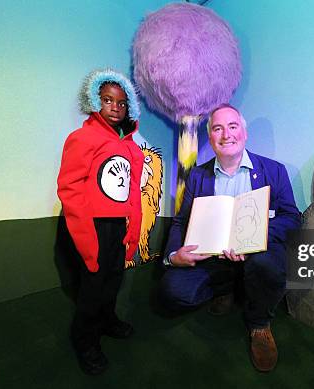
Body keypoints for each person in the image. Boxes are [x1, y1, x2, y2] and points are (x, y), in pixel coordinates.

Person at [160, 104, 301, 372]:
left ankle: (259, 324)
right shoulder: (198, 176)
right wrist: (172, 256)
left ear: (244, 133)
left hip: (257, 254)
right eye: (217, 129)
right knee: (172, 291)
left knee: (266, 265)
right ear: (211, 138)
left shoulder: (274, 170)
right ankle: (227, 288)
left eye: (233, 126)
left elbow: (292, 217)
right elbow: (180, 222)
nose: (226, 135)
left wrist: (253, 237)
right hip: (212, 257)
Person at [57, 69, 144, 375]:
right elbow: (70, 188)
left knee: (113, 278)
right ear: (95, 100)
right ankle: (84, 339)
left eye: (121, 102)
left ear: (129, 106)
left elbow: (132, 192)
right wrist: (85, 237)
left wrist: (133, 229)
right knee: (92, 285)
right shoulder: (82, 138)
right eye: (107, 99)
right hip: (91, 226)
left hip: (118, 226)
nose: (114, 107)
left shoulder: (133, 148)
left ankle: (107, 320)